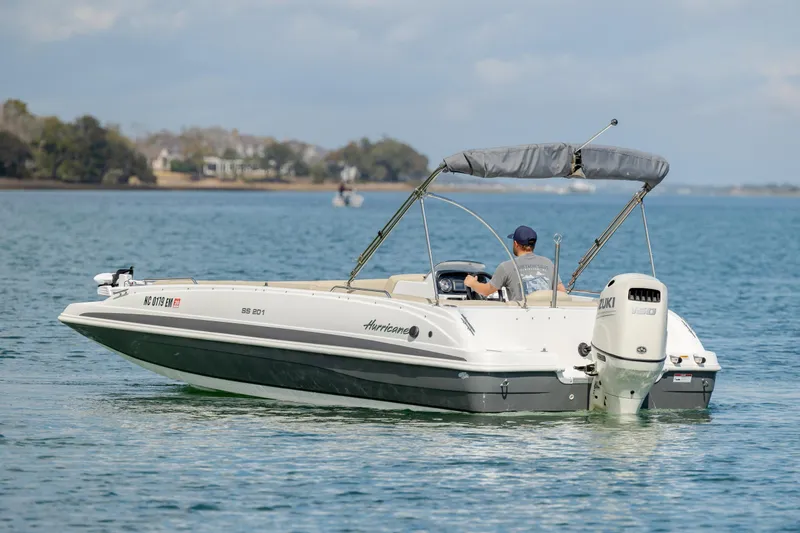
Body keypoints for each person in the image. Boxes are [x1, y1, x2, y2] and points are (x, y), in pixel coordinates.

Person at [464, 225, 566, 301]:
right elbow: (562, 292)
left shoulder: (506, 267)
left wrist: (472, 283)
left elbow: (486, 291)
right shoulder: (548, 263)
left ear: (516, 244)